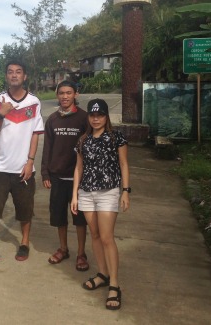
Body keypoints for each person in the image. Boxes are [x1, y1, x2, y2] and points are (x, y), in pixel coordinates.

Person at [71, 98, 131, 310]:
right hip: (86, 193)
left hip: (108, 192)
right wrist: (75, 195)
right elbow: (79, 168)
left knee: (107, 237)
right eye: (92, 115)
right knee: (95, 235)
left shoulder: (116, 137)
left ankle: (114, 284)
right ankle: (102, 274)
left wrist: (125, 191)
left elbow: (123, 163)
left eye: (100, 115)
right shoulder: (83, 140)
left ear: (106, 117)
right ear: (88, 117)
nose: (96, 119)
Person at [0, 59, 44, 262]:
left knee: (25, 210)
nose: (14, 75)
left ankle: (24, 242)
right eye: (10, 72)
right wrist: (1, 114)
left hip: (23, 168)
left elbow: (35, 133)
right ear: (6, 76)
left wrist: (30, 161)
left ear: (24, 76)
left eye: (18, 71)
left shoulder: (34, 102)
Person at [41, 81, 89, 271]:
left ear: (76, 94)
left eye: (69, 93)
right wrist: (45, 172)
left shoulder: (84, 118)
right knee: (59, 216)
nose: (65, 96)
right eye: (61, 93)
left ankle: (81, 253)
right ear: (57, 95)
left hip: (79, 178)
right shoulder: (52, 120)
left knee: (80, 218)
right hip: (58, 176)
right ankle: (63, 248)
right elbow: (47, 148)